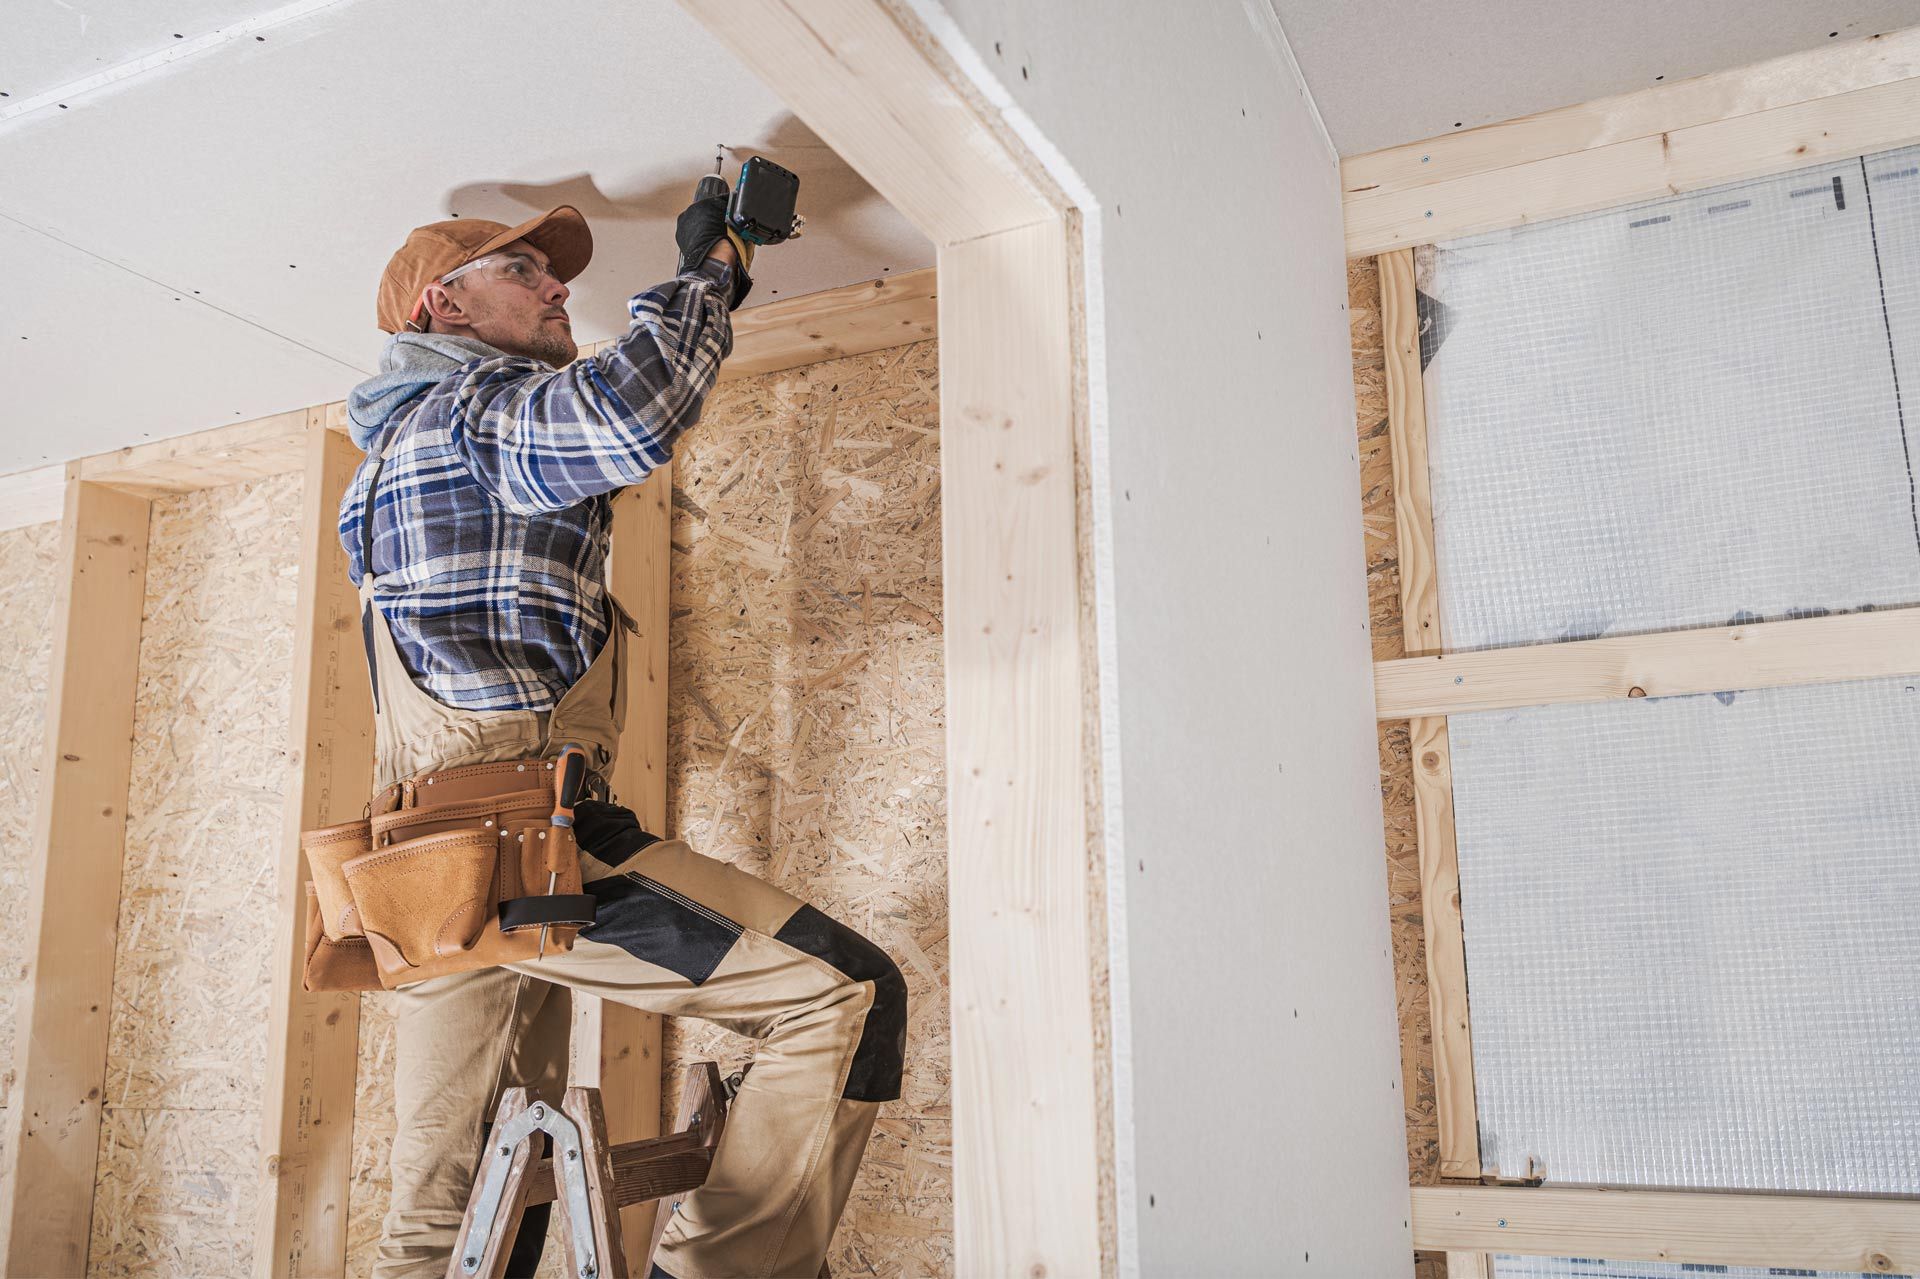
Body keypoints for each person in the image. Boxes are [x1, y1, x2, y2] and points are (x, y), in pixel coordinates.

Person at [338, 199, 905, 1279]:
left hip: (428, 872)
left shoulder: (391, 464)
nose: (559, 288)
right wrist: (712, 268)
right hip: (520, 840)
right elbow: (629, 413)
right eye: (524, 271)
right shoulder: (468, 411)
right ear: (439, 306)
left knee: (455, 1218)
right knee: (844, 994)